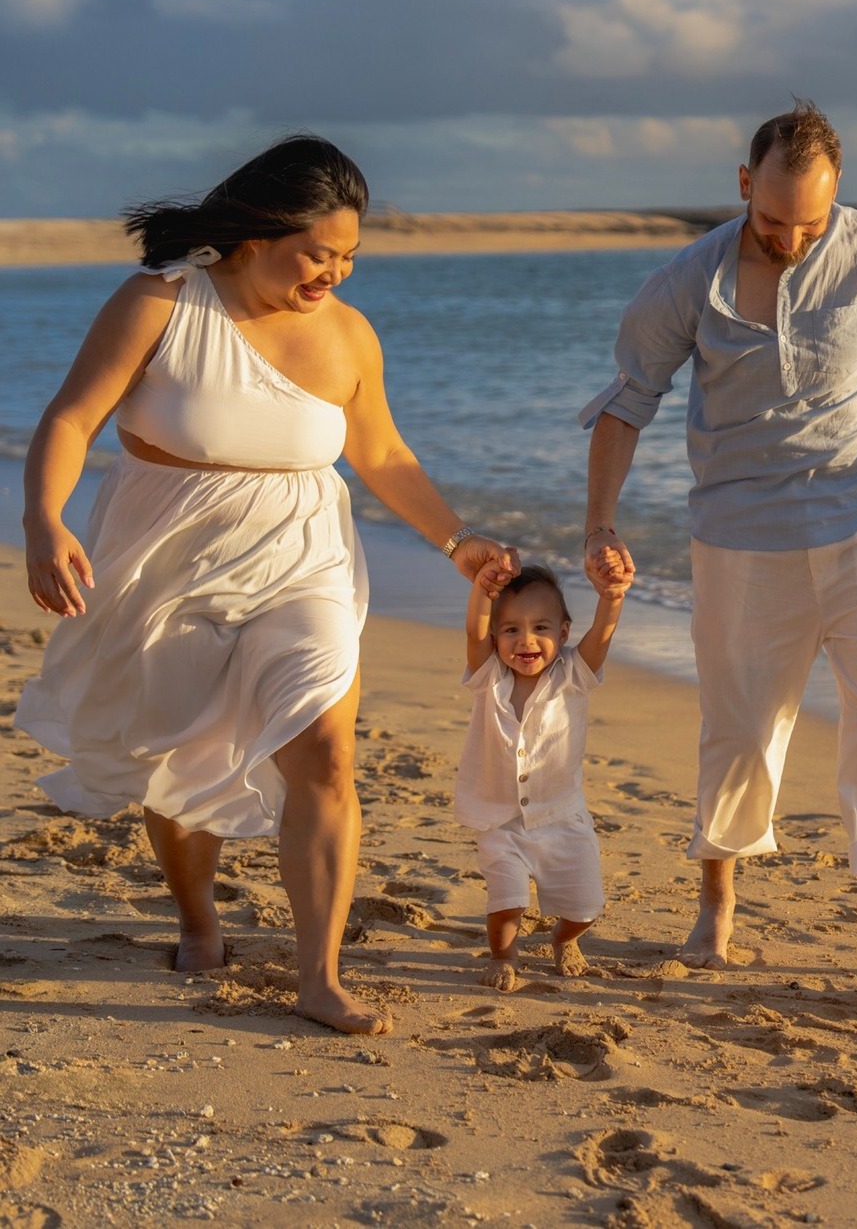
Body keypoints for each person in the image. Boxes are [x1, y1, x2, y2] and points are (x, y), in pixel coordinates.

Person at [16, 134, 517, 1036]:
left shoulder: (349, 333)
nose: (334, 272)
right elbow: (70, 418)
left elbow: (382, 453)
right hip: (167, 555)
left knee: (325, 749)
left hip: (304, 555)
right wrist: (43, 521)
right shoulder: (159, 304)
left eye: (349, 256)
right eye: (318, 252)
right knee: (177, 753)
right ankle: (199, 918)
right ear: (252, 234)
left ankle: (318, 975)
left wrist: (455, 540)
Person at [579, 100, 857, 1017]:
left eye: (808, 222)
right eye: (773, 220)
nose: (789, 238)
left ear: (836, 195)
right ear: (744, 185)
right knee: (739, 730)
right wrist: (598, 524)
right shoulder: (687, 279)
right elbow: (626, 403)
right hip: (739, 538)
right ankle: (716, 903)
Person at [456, 560, 632, 990]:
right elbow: (474, 631)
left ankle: (563, 939)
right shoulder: (489, 677)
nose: (526, 640)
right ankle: (504, 955)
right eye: (511, 629)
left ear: (564, 633)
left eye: (541, 627)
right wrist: (483, 588)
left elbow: (602, 637)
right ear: (496, 636)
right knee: (507, 901)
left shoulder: (574, 675)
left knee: (584, 907)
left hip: (562, 817)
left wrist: (611, 599)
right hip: (500, 820)